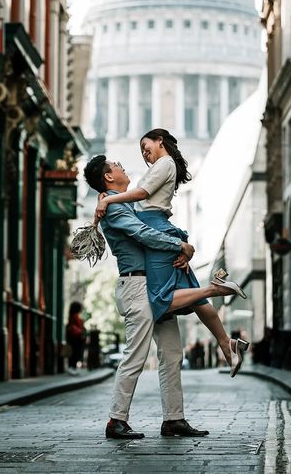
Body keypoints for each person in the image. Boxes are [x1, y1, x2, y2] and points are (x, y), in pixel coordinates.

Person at [84, 155, 232, 439]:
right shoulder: (116, 209)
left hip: (152, 285)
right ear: (108, 177)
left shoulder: (119, 203)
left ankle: (174, 419)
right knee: (135, 355)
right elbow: (143, 233)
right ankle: (116, 419)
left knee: (172, 353)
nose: (122, 165)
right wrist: (180, 245)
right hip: (137, 286)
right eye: (117, 164)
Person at [95, 128, 249, 376]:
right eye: (142, 151)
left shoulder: (164, 163)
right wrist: (108, 197)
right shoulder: (163, 165)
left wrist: (109, 200)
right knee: (197, 300)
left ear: (160, 141)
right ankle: (227, 344)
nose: (145, 153)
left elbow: (142, 195)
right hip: (162, 228)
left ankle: (216, 287)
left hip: (155, 230)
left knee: (160, 299)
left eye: (147, 146)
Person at [66, 301, 86, 373]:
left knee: (74, 353)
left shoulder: (71, 316)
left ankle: (72, 367)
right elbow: (78, 327)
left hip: (73, 338)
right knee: (75, 353)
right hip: (75, 338)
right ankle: (72, 367)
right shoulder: (75, 316)